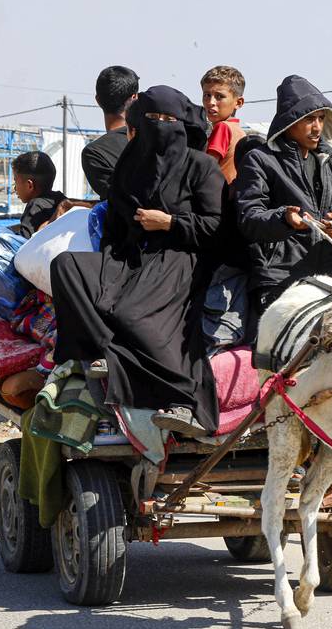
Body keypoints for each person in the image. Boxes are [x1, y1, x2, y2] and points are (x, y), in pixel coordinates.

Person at [51, 85, 226, 437]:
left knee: (131, 314)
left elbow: (219, 228)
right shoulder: (131, 166)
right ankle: (104, 349)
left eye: (168, 120)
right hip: (130, 256)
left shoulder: (201, 167)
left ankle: (179, 395)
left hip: (180, 257)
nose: (160, 126)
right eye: (152, 119)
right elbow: (116, 221)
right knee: (67, 267)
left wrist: (172, 222)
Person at [234, 75, 332, 316]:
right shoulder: (261, 161)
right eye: (308, 119)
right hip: (281, 281)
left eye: (320, 118)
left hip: (331, 281)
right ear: (289, 122)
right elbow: (248, 218)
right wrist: (283, 220)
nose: (317, 127)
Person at [80, 65, 139, 200]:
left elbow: (115, 201)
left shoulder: (94, 153)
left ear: (98, 100)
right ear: (134, 97)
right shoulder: (152, 139)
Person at [201, 65, 247, 183]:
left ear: (238, 102)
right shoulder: (239, 131)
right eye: (207, 95)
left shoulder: (223, 128)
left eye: (219, 97)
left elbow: (206, 168)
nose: (211, 102)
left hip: (218, 196)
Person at [12, 151, 66, 238]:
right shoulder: (61, 199)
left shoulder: (35, 206)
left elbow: (22, 243)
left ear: (30, 185)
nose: (14, 188)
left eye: (15, 181)